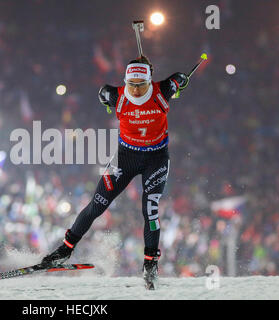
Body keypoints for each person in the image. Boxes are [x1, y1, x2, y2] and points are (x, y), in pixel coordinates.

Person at [41, 55, 189, 287]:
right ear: (126, 82)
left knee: (150, 210)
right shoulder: (116, 95)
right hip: (125, 158)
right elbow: (103, 93)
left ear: (150, 81)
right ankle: (64, 250)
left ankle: (150, 266)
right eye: (131, 85)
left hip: (156, 159)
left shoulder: (162, 91)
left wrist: (180, 81)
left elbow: (177, 79)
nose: (136, 90)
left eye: (141, 85)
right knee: (97, 205)